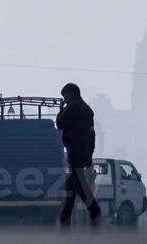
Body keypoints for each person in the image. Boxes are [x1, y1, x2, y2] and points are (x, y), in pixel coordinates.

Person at [55, 82, 101, 226]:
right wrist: (90, 153)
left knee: (78, 182)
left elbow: (60, 123)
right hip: (84, 151)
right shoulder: (88, 110)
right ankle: (66, 214)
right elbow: (92, 134)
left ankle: (93, 208)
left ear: (71, 94)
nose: (65, 99)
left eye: (65, 96)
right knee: (71, 183)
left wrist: (61, 109)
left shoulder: (73, 106)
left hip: (74, 151)